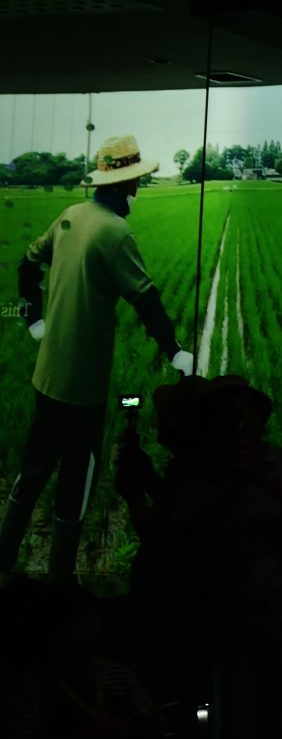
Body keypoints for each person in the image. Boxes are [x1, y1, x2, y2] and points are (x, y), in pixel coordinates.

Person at [6, 136, 195, 581]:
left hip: (45, 376)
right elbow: (145, 299)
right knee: (77, 481)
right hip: (82, 388)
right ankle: (60, 583)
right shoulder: (116, 232)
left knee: (33, 470)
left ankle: (3, 560)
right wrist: (174, 351)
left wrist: (35, 320)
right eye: (136, 182)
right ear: (124, 184)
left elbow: (26, 265)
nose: (138, 189)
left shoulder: (69, 216)